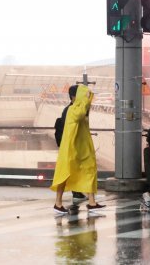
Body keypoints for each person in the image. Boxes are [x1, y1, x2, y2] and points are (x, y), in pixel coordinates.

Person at [51, 85, 105, 214]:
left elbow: (83, 112)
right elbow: (78, 115)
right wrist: (85, 101)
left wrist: (87, 99)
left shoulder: (81, 108)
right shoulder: (71, 110)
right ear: (74, 97)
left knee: (90, 171)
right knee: (64, 174)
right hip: (71, 149)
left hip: (83, 149)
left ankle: (92, 203)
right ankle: (58, 203)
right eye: (82, 95)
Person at [57, 85, 87, 201]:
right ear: (74, 96)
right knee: (68, 170)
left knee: (73, 169)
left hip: (72, 144)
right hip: (70, 145)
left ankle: (78, 193)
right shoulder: (71, 110)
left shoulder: (71, 108)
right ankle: (60, 201)